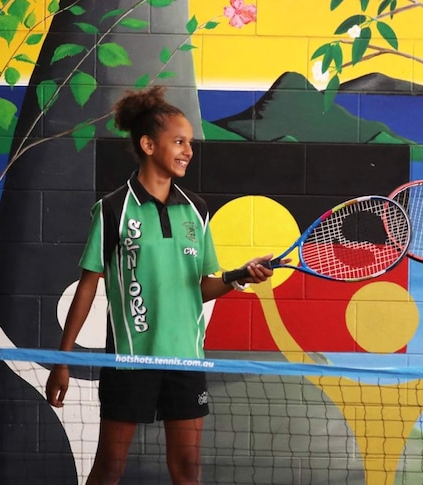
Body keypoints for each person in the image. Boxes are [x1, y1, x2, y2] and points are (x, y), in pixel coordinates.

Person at [44, 86, 274, 485]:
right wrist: (64, 361)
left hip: (186, 361)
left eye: (190, 143)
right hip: (130, 363)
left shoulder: (196, 210)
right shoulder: (114, 209)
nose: (188, 150)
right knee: (110, 467)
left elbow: (200, 288)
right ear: (148, 144)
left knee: (187, 469)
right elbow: (87, 287)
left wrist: (238, 276)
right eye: (179, 141)